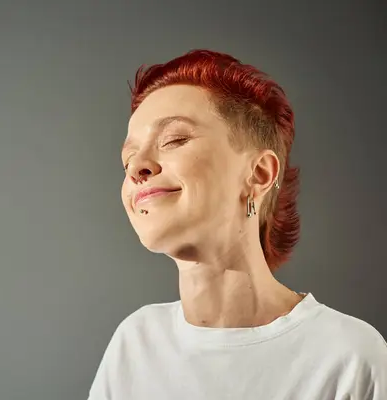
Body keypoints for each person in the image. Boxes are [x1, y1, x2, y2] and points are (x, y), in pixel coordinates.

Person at [88, 49, 387, 400]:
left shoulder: (350, 358)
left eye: (174, 140)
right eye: (127, 159)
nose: (137, 166)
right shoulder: (135, 343)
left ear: (259, 174)